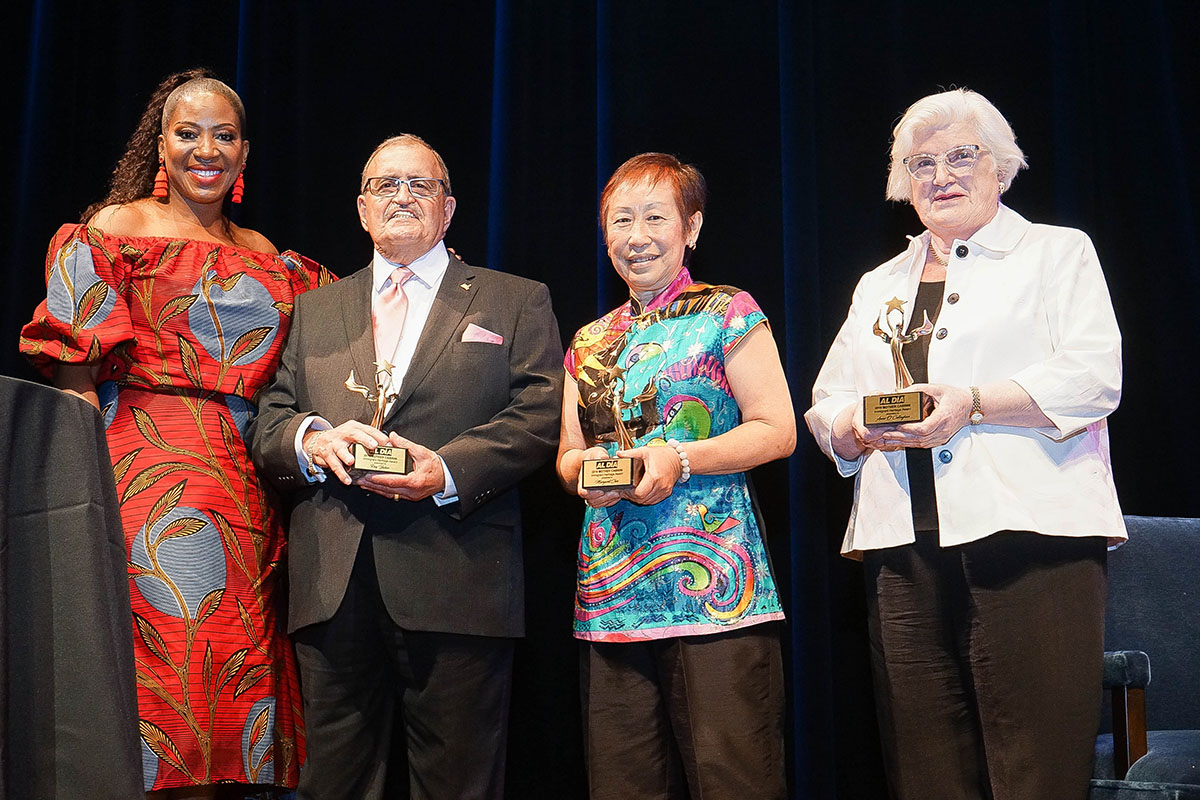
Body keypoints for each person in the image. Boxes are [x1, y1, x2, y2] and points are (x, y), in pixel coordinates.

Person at [805, 88, 1125, 800]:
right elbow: (828, 402)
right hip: (901, 548)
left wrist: (972, 404)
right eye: (921, 163)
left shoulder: (1055, 252)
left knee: (1035, 769)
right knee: (925, 773)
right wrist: (855, 428)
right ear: (902, 182)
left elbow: (1094, 377)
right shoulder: (878, 284)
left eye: (961, 155)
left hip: (1032, 538)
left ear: (1002, 166)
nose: (941, 174)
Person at [19, 69, 330, 798]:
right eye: (188, 133)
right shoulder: (114, 229)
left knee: (235, 676)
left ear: (246, 153)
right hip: (142, 475)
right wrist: (81, 489)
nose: (206, 149)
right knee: (160, 677)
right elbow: (74, 375)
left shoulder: (264, 250)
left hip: (249, 488)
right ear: (160, 144)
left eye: (224, 136)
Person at [248, 133, 563, 800]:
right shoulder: (316, 307)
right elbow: (270, 418)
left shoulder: (515, 300)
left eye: (421, 185)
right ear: (362, 209)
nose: (403, 196)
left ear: (448, 210)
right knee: (331, 783)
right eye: (387, 185)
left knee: (458, 784)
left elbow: (539, 413)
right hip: (333, 582)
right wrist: (312, 439)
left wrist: (445, 470)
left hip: (458, 574)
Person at [556, 152, 796, 800]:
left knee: (735, 782)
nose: (637, 236)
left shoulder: (728, 311)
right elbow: (568, 454)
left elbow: (777, 428)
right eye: (620, 220)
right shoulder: (588, 340)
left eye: (655, 217)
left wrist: (680, 459)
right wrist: (588, 475)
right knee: (622, 786)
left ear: (690, 227)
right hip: (611, 598)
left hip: (717, 591)